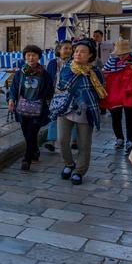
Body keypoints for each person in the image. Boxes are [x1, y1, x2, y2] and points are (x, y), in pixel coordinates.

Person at [52, 39, 106, 185]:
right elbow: (60, 86)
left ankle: (79, 171)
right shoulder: (66, 68)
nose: (78, 54)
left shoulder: (95, 72)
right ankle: (69, 164)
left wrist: (87, 99)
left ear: (90, 55)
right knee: (62, 139)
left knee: (84, 143)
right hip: (66, 107)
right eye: (76, 51)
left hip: (86, 109)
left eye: (82, 51)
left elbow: (100, 91)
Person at [7, 45, 54, 171]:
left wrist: (47, 100)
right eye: (28, 55)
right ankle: (35, 151)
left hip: (38, 109)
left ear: (39, 57)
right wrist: (11, 99)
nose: (31, 57)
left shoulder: (44, 74)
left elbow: (50, 90)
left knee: (32, 132)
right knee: (26, 132)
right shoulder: (20, 73)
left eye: (34, 55)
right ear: (24, 57)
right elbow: (14, 88)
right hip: (22, 109)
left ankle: (26, 159)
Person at [102, 39, 132, 153]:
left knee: (131, 118)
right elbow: (103, 74)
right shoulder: (111, 61)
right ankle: (119, 138)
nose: (121, 57)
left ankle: (131, 141)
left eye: (123, 54)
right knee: (116, 117)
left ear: (129, 52)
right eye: (119, 54)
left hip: (131, 93)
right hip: (115, 93)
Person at [44, 40, 75, 152]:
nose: (68, 50)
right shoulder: (52, 62)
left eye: (70, 49)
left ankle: (75, 140)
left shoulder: (74, 62)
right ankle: (51, 141)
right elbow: (48, 78)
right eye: (65, 48)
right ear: (59, 50)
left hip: (70, 94)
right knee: (54, 116)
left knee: (73, 116)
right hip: (55, 93)